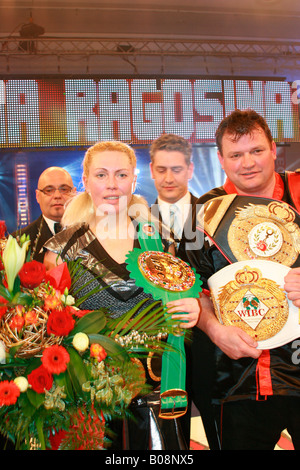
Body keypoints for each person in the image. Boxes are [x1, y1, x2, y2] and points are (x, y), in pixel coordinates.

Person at [43, 141, 200, 450]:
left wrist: (191, 308)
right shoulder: (61, 248)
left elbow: (181, 301)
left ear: (133, 179)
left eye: (121, 175)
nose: (112, 185)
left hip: (157, 394)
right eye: (101, 175)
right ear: (85, 181)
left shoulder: (159, 239)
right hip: (89, 398)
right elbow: (50, 327)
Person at [178, 108, 300, 450]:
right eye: (236, 154)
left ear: (274, 149)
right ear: (221, 159)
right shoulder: (202, 213)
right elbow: (186, 289)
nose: (247, 163)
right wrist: (215, 330)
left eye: (256, 150)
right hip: (233, 376)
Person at [12, 167, 76, 262]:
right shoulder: (17, 242)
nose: (57, 196)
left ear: (74, 193)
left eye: (64, 189)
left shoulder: (91, 234)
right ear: (38, 196)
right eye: (49, 190)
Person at [149, 133, 197, 249]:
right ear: (152, 170)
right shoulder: (139, 221)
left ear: (190, 170)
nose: (169, 179)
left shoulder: (211, 216)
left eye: (176, 170)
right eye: (161, 170)